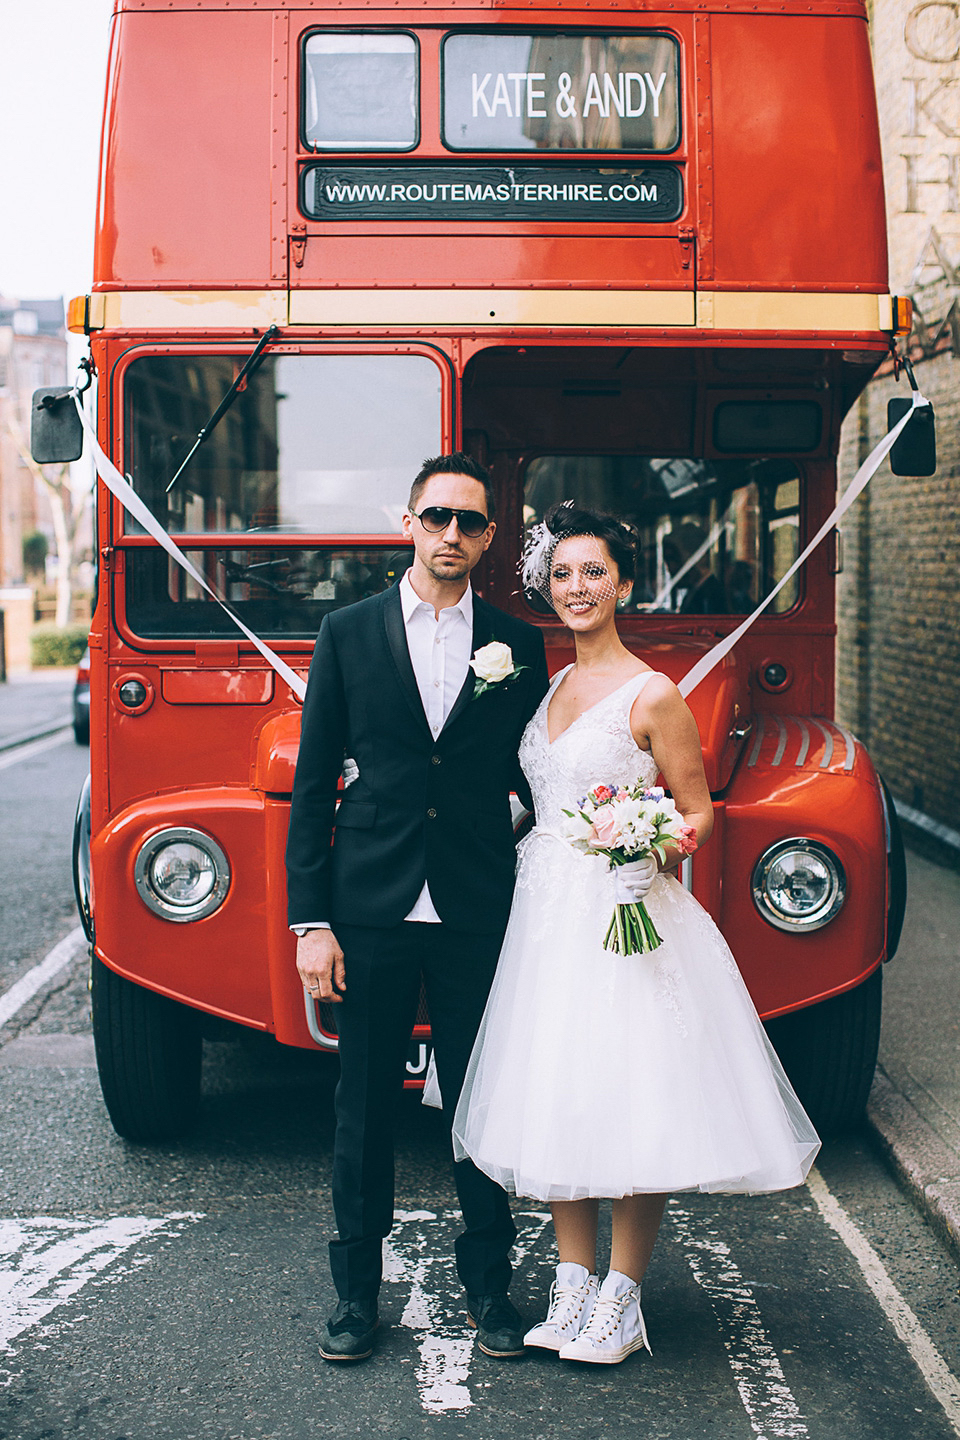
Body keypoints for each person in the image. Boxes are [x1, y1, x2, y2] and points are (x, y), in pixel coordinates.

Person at [452, 502, 819, 1365]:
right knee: (557, 1091)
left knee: (636, 1091)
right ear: (549, 585)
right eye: (564, 573)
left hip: (627, 914)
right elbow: (533, 799)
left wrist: (648, 846)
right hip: (544, 914)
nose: (578, 587)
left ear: (623, 585)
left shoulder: (654, 695)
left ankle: (622, 1297)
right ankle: (570, 1283)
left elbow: (696, 811)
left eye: (595, 573)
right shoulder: (540, 688)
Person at [285, 453, 549, 1364]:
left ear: (486, 539)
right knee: (363, 1106)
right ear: (408, 522)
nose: (451, 535)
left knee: (482, 1102)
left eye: (470, 523)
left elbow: (535, 771)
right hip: (370, 907)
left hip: (478, 903)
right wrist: (309, 923)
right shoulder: (347, 632)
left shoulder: (521, 643)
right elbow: (314, 782)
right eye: (436, 516)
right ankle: (356, 1297)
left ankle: (490, 1290)